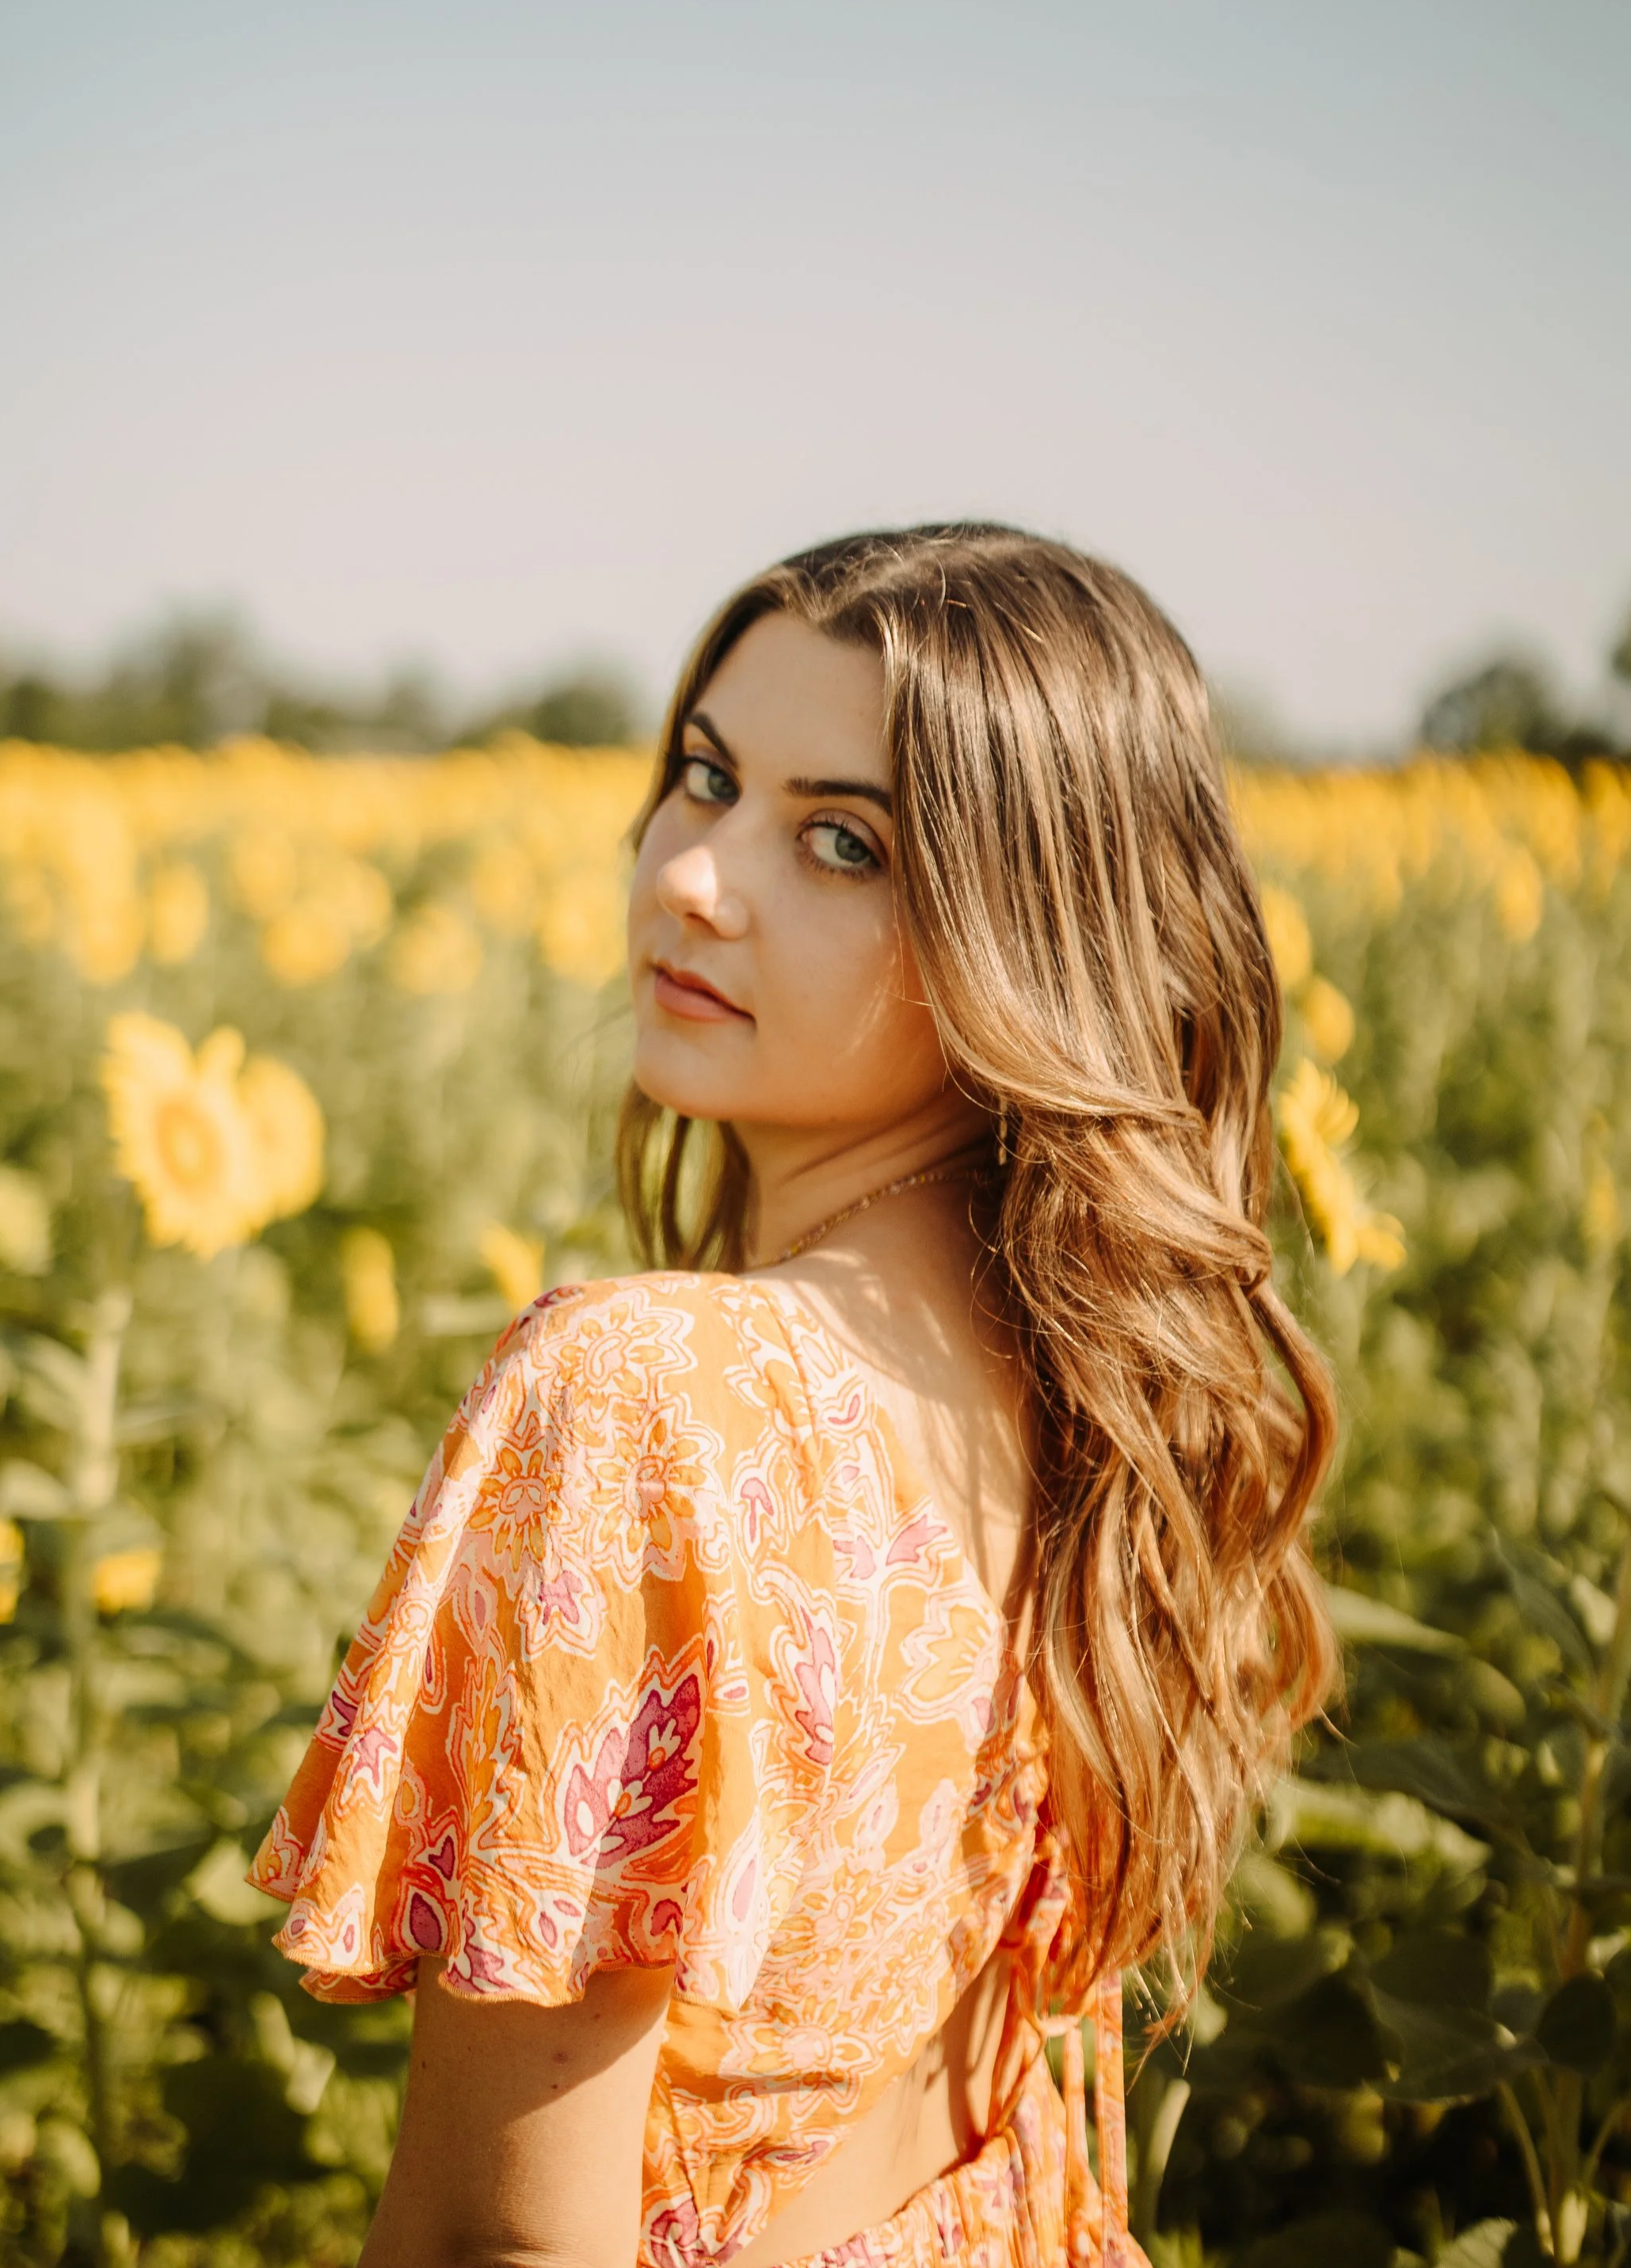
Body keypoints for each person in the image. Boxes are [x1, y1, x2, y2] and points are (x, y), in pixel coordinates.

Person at [250, 523, 1338, 2268]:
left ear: (1028, 941)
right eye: (704, 777)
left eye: (841, 842)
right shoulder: (1100, 1407)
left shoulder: (644, 1401)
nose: (693, 874)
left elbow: (494, 2238)